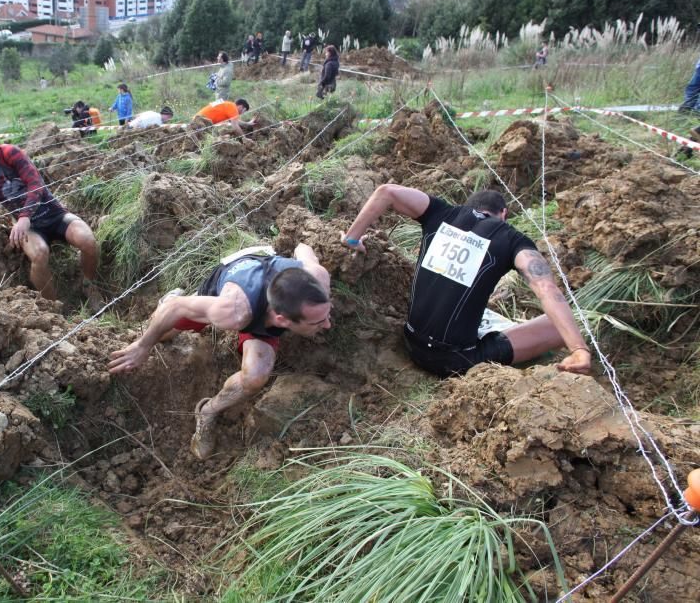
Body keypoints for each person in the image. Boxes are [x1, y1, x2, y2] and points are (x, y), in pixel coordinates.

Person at [341, 185, 592, 378]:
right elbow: (546, 287)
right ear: (503, 214)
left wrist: (352, 239)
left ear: (468, 206)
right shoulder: (512, 239)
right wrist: (579, 348)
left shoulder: (442, 213)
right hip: (454, 360)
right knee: (555, 326)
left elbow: (386, 191)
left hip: (410, 341)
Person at [109, 245, 332, 459]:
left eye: (326, 315)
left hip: (267, 291)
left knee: (255, 377)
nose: (328, 325)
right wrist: (142, 346)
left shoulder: (318, 278)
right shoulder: (232, 311)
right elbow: (176, 308)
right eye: (318, 322)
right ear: (281, 320)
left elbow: (304, 248)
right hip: (233, 286)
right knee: (164, 334)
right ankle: (170, 297)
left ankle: (207, 412)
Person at [0, 124, 99, 302]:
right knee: (38, 254)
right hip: (31, 229)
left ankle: (89, 286)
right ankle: (53, 306)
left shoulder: (8, 153)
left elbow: (35, 184)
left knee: (88, 241)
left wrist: (24, 216)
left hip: (55, 215)